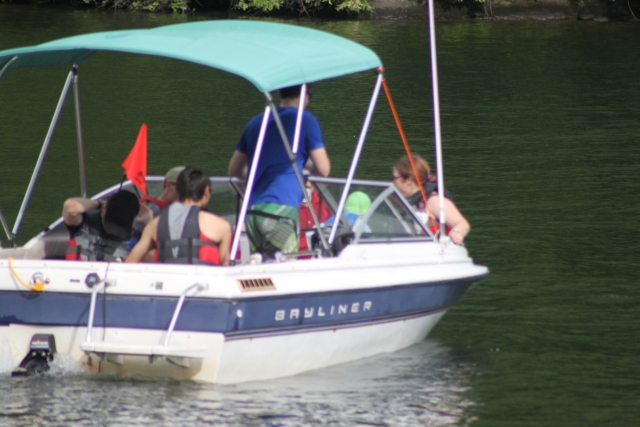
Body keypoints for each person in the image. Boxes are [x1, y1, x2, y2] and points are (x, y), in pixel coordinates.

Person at [228, 85, 331, 260]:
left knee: (261, 271)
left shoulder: (255, 123)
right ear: (305, 95)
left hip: (253, 211)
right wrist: (305, 166)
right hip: (282, 211)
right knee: (284, 269)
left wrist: (261, 171)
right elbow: (324, 169)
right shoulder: (306, 120)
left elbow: (234, 170)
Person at [125, 166, 231, 265]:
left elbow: (130, 261)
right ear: (207, 191)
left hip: (168, 278)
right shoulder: (221, 226)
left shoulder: (154, 225)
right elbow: (225, 267)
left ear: (179, 190)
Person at [392, 155, 470, 244]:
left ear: (408, 180)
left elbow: (462, 224)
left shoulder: (433, 201)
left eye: (395, 178)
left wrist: (456, 232)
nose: (393, 182)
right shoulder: (405, 202)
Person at [63, 191, 140, 261]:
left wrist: (146, 222)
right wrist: (99, 204)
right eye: (113, 222)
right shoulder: (84, 222)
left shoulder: (133, 237)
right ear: (104, 209)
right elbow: (71, 206)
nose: (114, 231)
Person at [132, 166, 185, 238]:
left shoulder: (172, 211)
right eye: (183, 188)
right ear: (168, 185)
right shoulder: (152, 209)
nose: (186, 194)